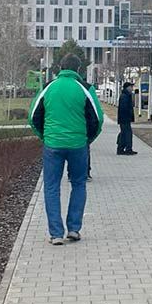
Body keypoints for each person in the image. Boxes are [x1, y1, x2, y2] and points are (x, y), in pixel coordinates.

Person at [29, 54, 103, 245]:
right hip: (78, 144)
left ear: (60, 68)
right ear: (78, 69)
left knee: (51, 186)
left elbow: (33, 116)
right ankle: (74, 229)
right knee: (78, 184)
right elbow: (98, 118)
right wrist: (88, 139)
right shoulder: (85, 89)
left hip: (53, 144)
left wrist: (45, 137)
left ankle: (55, 234)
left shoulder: (48, 88)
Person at [117, 81, 137, 156]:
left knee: (124, 134)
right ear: (127, 87)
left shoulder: (126, 95)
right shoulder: (125, 96)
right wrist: (128, 116)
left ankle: (121, 149)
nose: (132, 88)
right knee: (127, 134)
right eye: (131, 87)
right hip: (124, 119)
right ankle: (127, 149)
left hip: (124, 119)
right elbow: (124, 108)